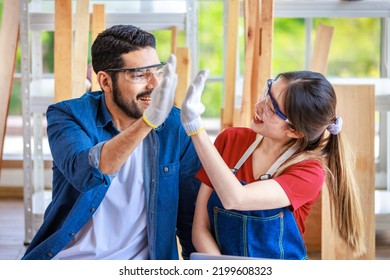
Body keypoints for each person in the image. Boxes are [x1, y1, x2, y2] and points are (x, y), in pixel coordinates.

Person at [22, 25, 201, 260]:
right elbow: (87, 173)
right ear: (106, 82)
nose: (155, 85)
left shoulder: (175, 127)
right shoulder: (68, 116)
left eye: (157, 71)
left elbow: (189, 218)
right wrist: (148, 121)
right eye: (139, 74)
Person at [180, 70, 366, 259]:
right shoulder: (230, 141)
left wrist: (196, 129)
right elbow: (200, 228)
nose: (259, 106)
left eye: (272, 109)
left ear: (295, 132)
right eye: (267, 94)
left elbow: (236, 198)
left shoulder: (309, 173)